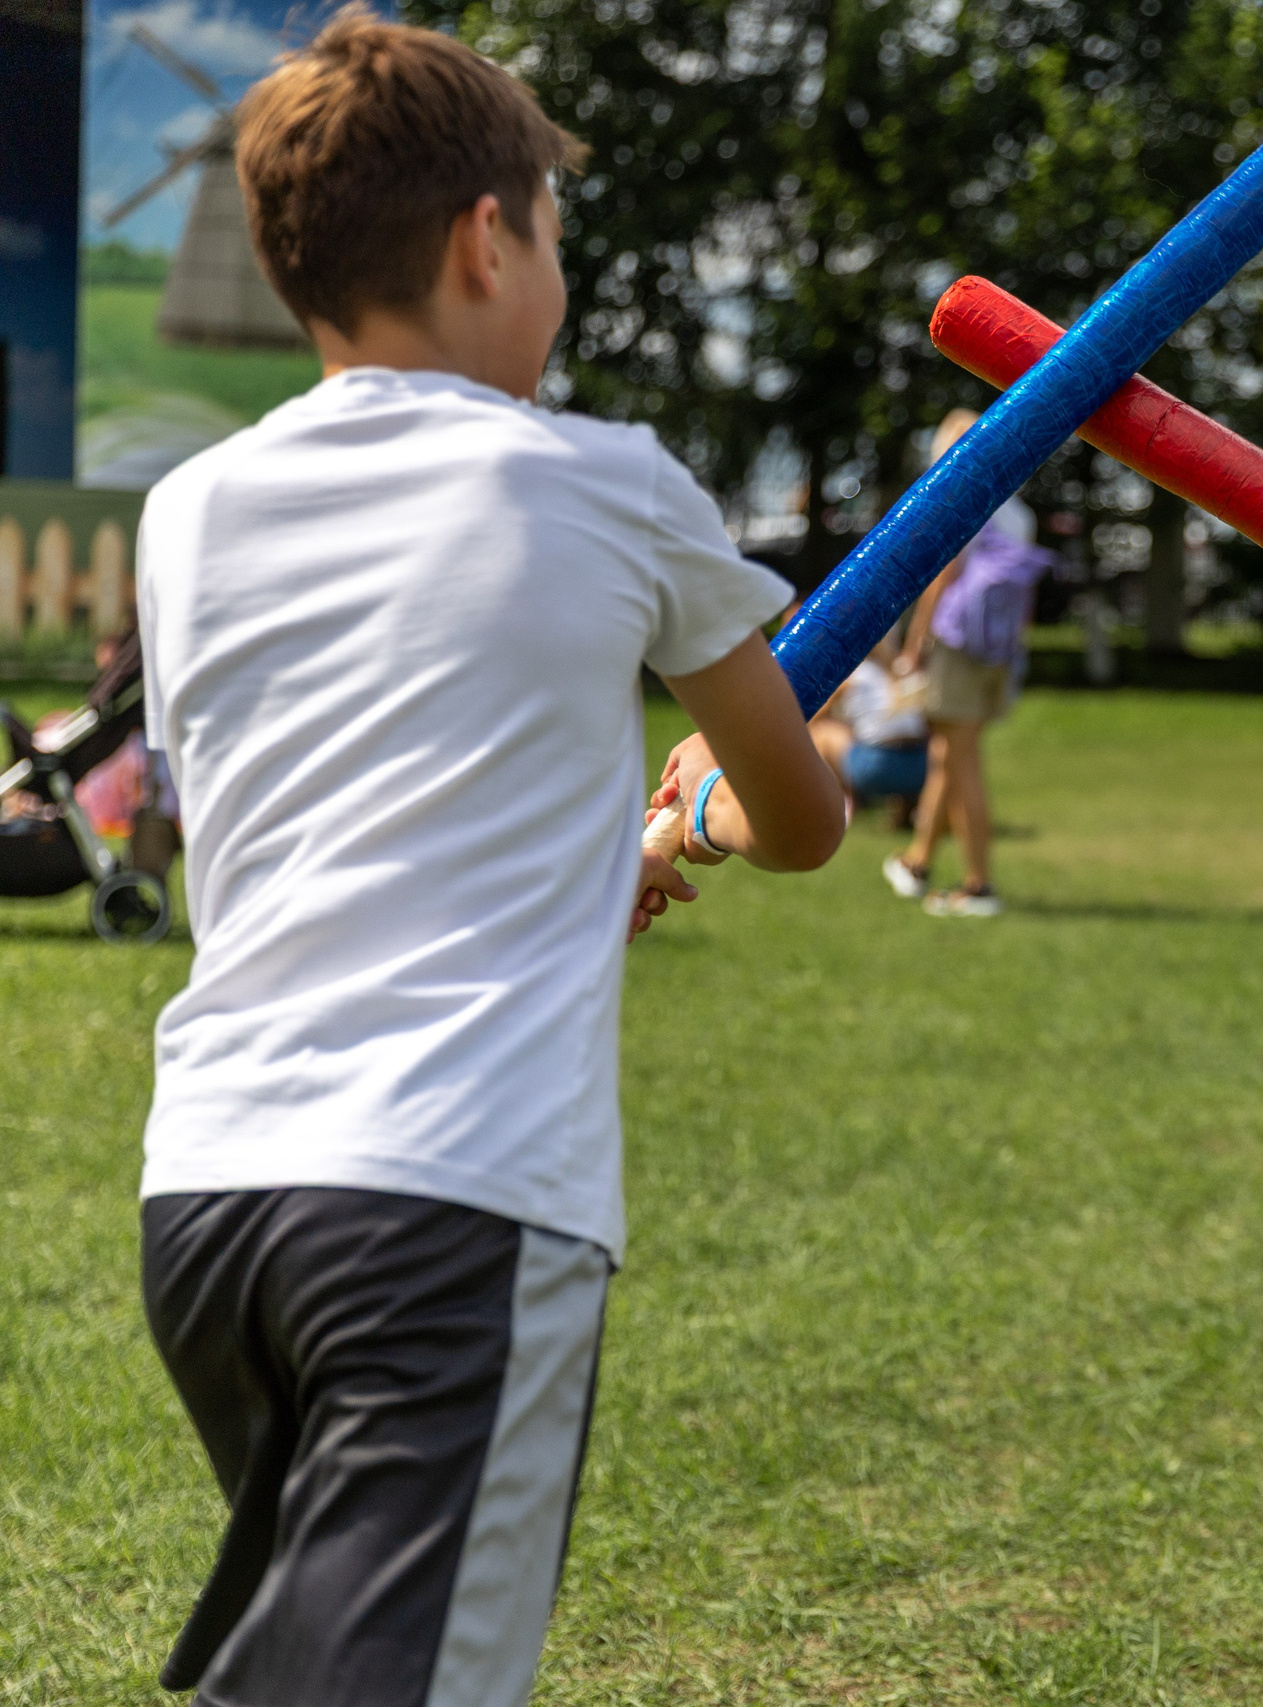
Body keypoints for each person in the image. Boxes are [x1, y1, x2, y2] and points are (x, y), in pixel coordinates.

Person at [131, 15, 845, 1707]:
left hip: (214, 1204)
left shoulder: (197, 509)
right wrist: (705, 809)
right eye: (558, 236)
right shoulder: (612, 485)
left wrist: (593, 856)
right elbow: (801, 814)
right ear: (485, 237)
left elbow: (353, 795)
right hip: (451, 1205)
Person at [880, 408, 1055, 917]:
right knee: (948, 755)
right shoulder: (1018, 511)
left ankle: (979, 886)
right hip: (997, 650)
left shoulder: (964, 497)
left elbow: (945, 577)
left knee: (961, 761)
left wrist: (915, 645)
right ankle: (916, 861)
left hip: (957, 645)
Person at [814, 632, 930, 827]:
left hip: (874, 770)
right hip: (920, 769)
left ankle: (844, 800)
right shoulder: (907, 672)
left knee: (822, 733)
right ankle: (907, 810)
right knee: (902, 735)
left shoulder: (855, 675)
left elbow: (812, 717)